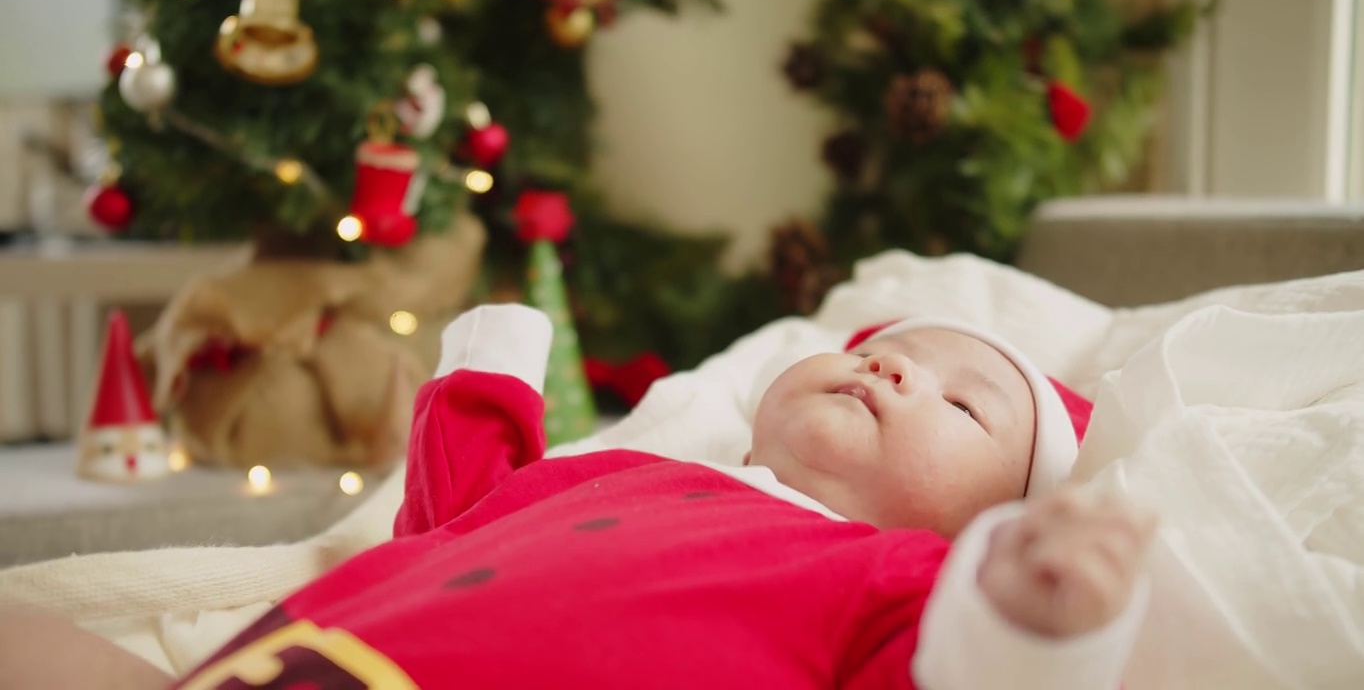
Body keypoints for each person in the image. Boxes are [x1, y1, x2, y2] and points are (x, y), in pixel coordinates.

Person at [0, 304, 1156, 689]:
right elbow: (453, 525)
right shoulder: (630, 470)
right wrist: (480, 385)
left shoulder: (892, 576)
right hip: (299, 662)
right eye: (883, 349)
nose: (897, 367)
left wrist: (1029, 613)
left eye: (963, 409)